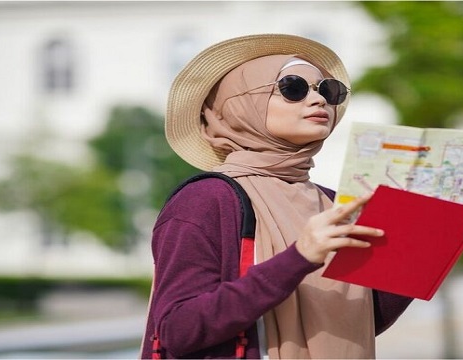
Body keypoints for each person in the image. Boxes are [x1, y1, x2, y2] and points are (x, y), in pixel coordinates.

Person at [141, 34, 412, 359]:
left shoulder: (334, 203)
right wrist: (299, 258)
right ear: (240, 106)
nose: (318, 100)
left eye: (327, 90)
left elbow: (353, 324)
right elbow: (177, 330)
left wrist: (417, 255)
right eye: (293, 88)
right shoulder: (207, 199)